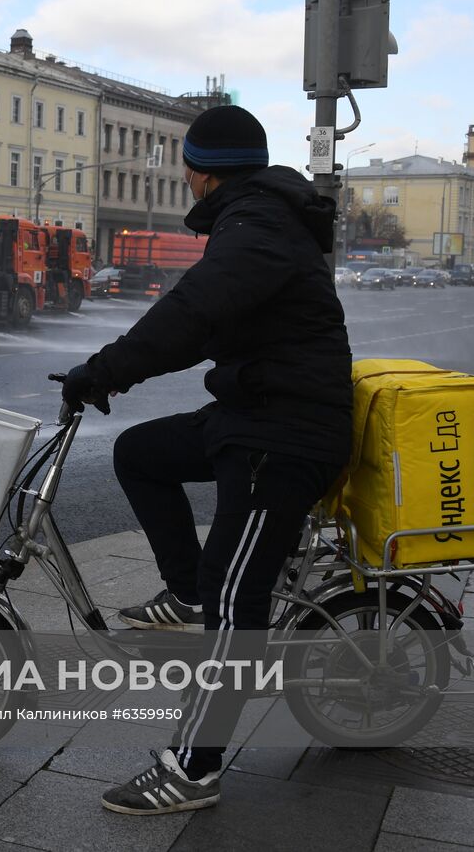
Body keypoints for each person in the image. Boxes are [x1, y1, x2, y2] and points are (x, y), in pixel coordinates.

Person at [60, 105, 352, 815]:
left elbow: (192, 311)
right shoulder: (252, 222)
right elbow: (204, 325)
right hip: (250, 414)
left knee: (235, 599)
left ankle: (194, 767)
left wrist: (104, 367)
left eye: (186, 164)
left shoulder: (258, 229)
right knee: (141, 453)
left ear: (201, 171)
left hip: (283, 436)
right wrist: (113, 374)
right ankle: (186, 588)